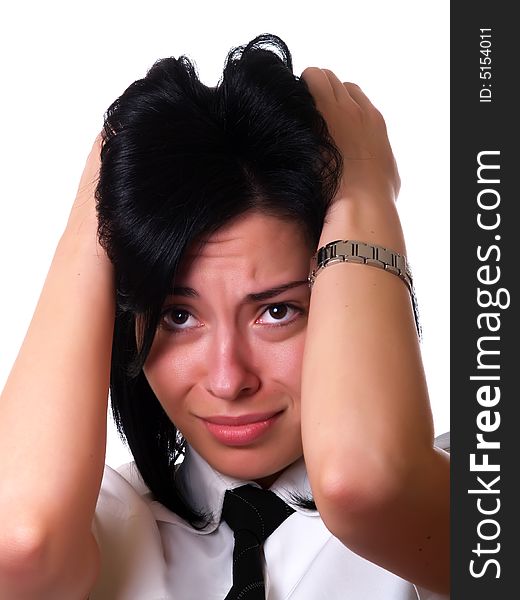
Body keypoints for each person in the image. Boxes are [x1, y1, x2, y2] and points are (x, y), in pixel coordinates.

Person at [0, 34, 449, 599]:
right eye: (178, 317)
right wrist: (101, 200)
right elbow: (19, 540)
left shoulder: (462, 495)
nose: (228, 379)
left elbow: (369, 483)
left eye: (277, 311)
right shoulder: (100, 527)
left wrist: (361, 189)